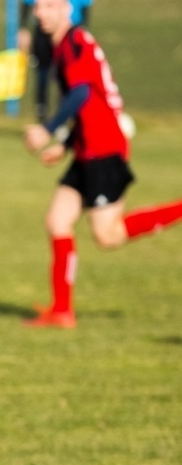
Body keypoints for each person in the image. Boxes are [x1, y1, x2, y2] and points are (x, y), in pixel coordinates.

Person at [23, 0, 182, 329]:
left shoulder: (76, 42)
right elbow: (90, 101)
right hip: (86, 148)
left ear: (68, 8)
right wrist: (66, 145)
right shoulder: (65, 44)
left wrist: (47, 130)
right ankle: (62, 311)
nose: (41, 12)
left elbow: (81, 93)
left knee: (108, 235)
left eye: (50, 5)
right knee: (57, 221)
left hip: (103, 149)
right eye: (38, 6)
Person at [19, 0, 92, 124]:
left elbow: (85, 7)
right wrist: (23, 28)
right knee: (42, 76)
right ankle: (42, 116)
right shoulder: (43, 22)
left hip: (70, 30)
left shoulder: (75, 40)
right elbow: (27, 4)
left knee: (67, 80)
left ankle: (62, 120)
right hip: (44, 34)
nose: (40, 12)